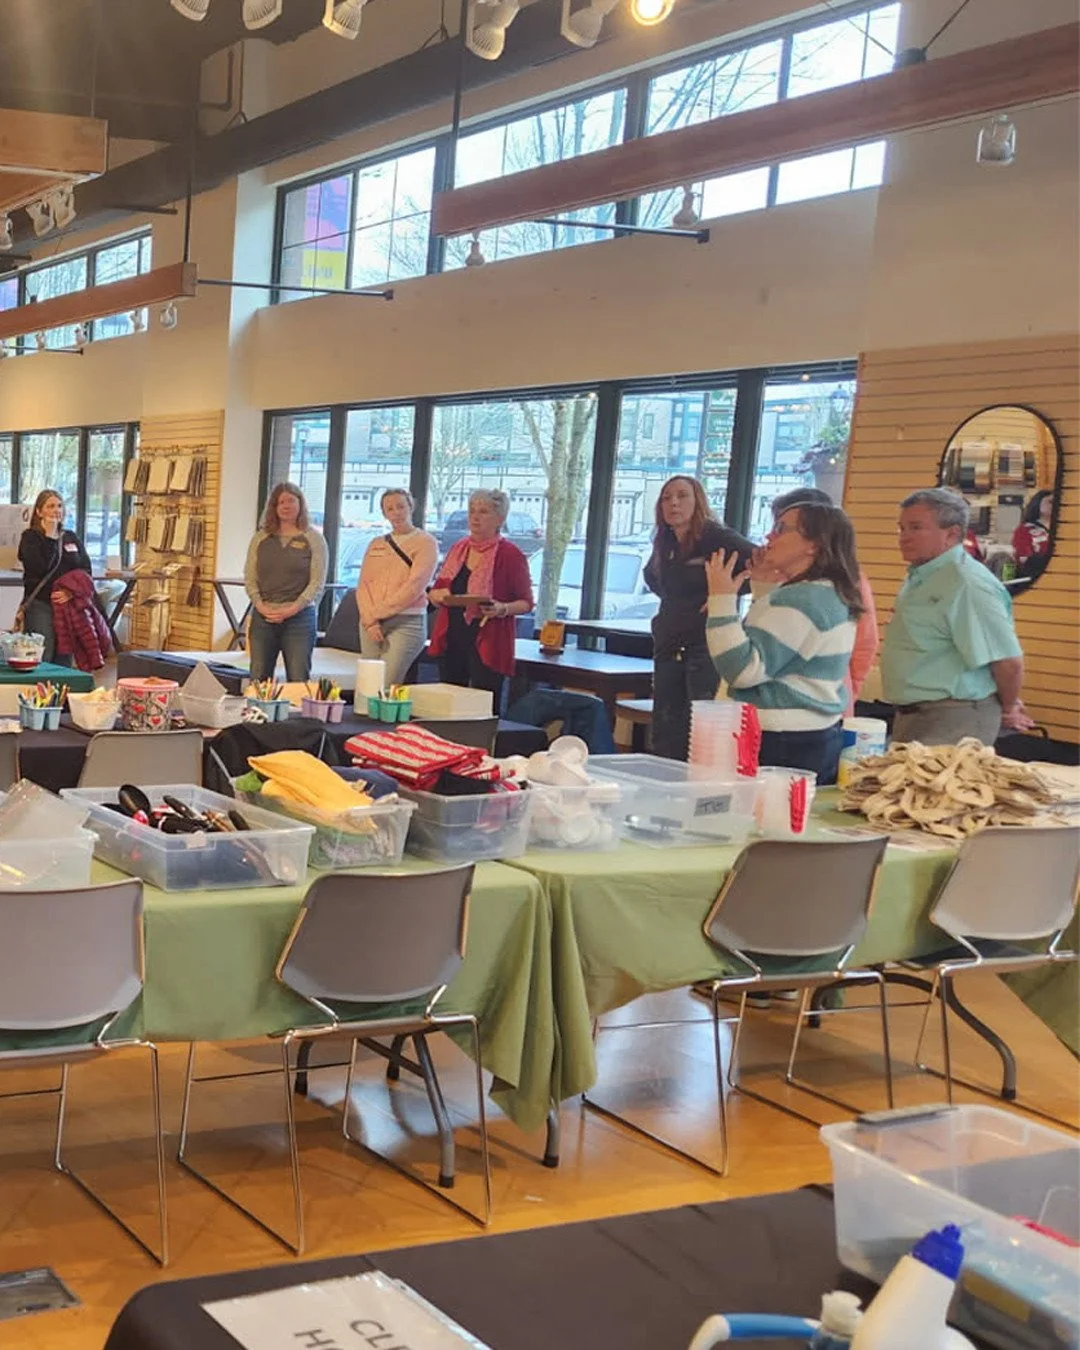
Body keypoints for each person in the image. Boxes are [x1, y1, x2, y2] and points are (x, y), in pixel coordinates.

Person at [705, 502, 863, 784]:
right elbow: (780, 653)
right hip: (808, 736)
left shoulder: (802, 599)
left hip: (781, 743)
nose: (769, 537)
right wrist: (764, 593)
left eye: (781, 529)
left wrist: (721, 600)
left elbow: (741, 670)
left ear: (813, 544)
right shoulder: (823, 593)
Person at [881, 488, 1031, 746]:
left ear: (951, 533)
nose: (904, 537)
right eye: (901, 528)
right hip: (913, 714)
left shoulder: (967, 584)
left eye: (915, 528)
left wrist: (1008, 709)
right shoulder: (922, 575)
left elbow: (1008, 662)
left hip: (955, 717)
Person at [644, 475, 753, 761]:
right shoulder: (664, 542)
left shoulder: (715, 536)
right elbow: (654, 580)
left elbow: (759, 564)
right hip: (669, 643)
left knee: (701, 729)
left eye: (682, 496)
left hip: (703, 646)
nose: (674, 503)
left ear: (698, 501)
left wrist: (724, 594)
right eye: (667, 498)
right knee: (667, 729)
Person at [764, 487, 879, 714]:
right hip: (776, 704)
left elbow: (865, 643)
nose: (771, 536)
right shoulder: (774, 575)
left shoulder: (848, 581)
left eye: (781, 528)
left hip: (826, 700)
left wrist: (847, 691)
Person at [428, 488, 534, 709]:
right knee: (448, 702)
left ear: (500, 519)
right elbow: (438, 588)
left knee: (483, 703)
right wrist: (438, 595)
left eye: (483, 512)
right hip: (453, 633)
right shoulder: (458, 548)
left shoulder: (510, 555)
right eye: (472, 511)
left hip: (488, 636)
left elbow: (526, 602)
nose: (475, 517)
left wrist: (502, 608)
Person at [244, 481, 327, 683]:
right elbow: (250, 576)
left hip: (299, 619)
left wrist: (292, 609)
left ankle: (297, 716)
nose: (286, 506)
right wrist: (261, 607)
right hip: (263, 618)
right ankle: (258, 715)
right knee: (258, 678)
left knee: (298, 677)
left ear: (300, 504)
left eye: (291, 501)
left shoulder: (314, 538)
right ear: (274, 507)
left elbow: (317, 582)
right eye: (281, 502)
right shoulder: (261, 538)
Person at [357, 488, 438, 686]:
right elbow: (364, 584)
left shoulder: (426, 542)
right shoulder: (376, 543)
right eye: (390, 509)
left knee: (385, 684)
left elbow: (415, 586)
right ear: (384, 513)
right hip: (371, 623)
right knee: (368, 684)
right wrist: (370, 620)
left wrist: (377, 613)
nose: (396, 513)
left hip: (407, 620)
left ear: (411, 507)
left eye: (401, 506)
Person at [17, 489, 92, 665]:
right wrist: (50, 537)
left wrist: (72, 592)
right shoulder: (31, 538)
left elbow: (85, 569)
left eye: (59, 506)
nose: (56, 510)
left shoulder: (70, 537)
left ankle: (61, 691)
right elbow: (39, 568)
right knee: (43, 652)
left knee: (65, 654)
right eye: (50, 506)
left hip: (67, 606)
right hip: (41, 604)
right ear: (39, 511)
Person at [1012, 489, 1053, 580]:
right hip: (1034, 578)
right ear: (1038, 503)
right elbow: (1023, 558)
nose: (1054, 505)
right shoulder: (1025, 530)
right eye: (1050, 502)